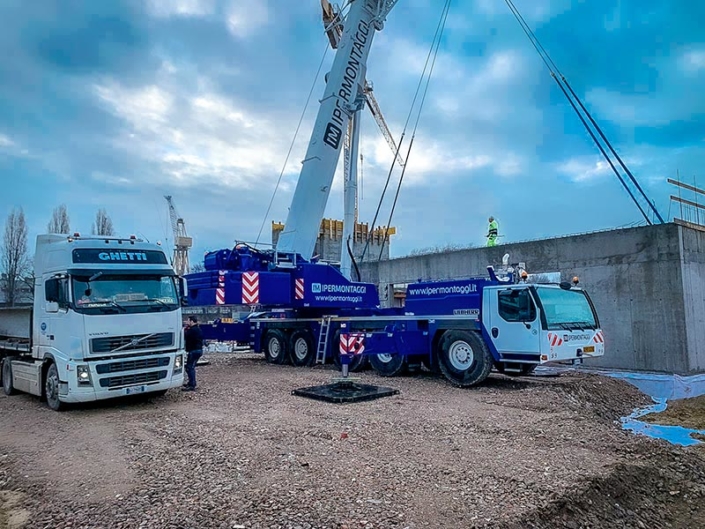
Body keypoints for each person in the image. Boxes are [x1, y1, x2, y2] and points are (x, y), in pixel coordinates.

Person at [183, 316, 204, 391]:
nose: (186, 322)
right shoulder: (197, 329)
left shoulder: (192, 330)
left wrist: (185, 329)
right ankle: (190, 383)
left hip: (194, 351)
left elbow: (185, 336)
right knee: (190, 367)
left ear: (192, 321)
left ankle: (192, 385)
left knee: (190, 367)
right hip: (197, 350)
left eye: (188, 321)